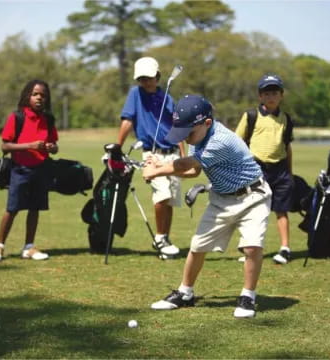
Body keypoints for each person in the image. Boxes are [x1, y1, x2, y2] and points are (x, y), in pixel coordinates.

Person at [143, 95, 272, 318]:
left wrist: (157, 169)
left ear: (207, 123)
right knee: (197, 246)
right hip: (221, 199)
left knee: (252, 246)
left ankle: (248, 296)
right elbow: (193, 171)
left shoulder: (220, 140)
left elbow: (187, 164)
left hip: (253, 197)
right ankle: (185, 293)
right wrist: (161, 165)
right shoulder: (199, 139)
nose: (186, 139)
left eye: (188, 133)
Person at [116, 56, 185, 258]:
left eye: (149, 78)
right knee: (161, 195)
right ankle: (160, 237)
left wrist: (183, 153)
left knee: (170, 200)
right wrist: (116, 148)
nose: (145, 82)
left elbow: (176, 126)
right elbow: (128, 120)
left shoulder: (167, 98)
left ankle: (164, 239)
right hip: (152, 154)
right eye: (142, 78)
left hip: (172, 153)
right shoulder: (135, 94)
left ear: (158, 76)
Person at [0, 79, 58, 262]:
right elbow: (5, 146)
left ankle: (28, 247)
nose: (39, 98)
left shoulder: (48, 120)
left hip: (41, 169)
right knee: (12, 209)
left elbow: (55, 145)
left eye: (43, 95)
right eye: (35, 94)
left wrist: (51, 147)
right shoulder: (17, 117)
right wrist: (30, 146)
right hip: (20, 169)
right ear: (27, 96)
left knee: (35, 208)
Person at [235, 74, 294, 265]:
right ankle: (248, 248)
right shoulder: (251, 116)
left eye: (275, 93)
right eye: (267, 93)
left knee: (281, 210)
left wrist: (290, 173)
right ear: (260, 96)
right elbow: (237, 142)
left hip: (281, 169)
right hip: (256, 168)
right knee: (252, 209)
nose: (271, 97)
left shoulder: (286, 119)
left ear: (281, 95)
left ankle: (285, 248)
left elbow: (287, 146)